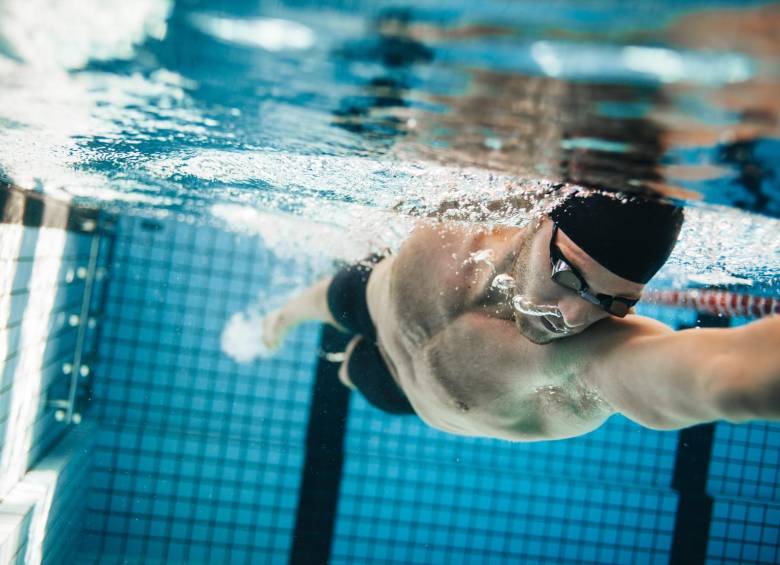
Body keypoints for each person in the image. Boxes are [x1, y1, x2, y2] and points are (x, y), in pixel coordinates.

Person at [261, 189, 780, 441]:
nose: (574, 317)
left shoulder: (586, 360)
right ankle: (280, 320)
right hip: (372, 296)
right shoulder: (466, 210)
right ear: (538, 222)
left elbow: (720, 375)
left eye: (612, 302)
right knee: (328, 297)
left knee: (352, 370)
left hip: (400, 394)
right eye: (569, 276)